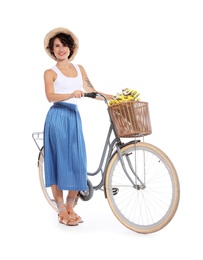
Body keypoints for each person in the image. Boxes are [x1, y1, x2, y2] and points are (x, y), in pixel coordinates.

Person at [43, 27, 113, 226]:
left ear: (71, 48)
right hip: (57, 116)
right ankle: (60, 208)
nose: (61, 49)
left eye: (64, 45)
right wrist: (70, 94)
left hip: (74, 117)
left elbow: (91, 90)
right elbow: (50, 96)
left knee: (77, 161)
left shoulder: (79, 69)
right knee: (58, 161)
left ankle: (71, 206)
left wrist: (114, 97)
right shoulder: (50, 72)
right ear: (52, 50)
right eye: (57, 46)